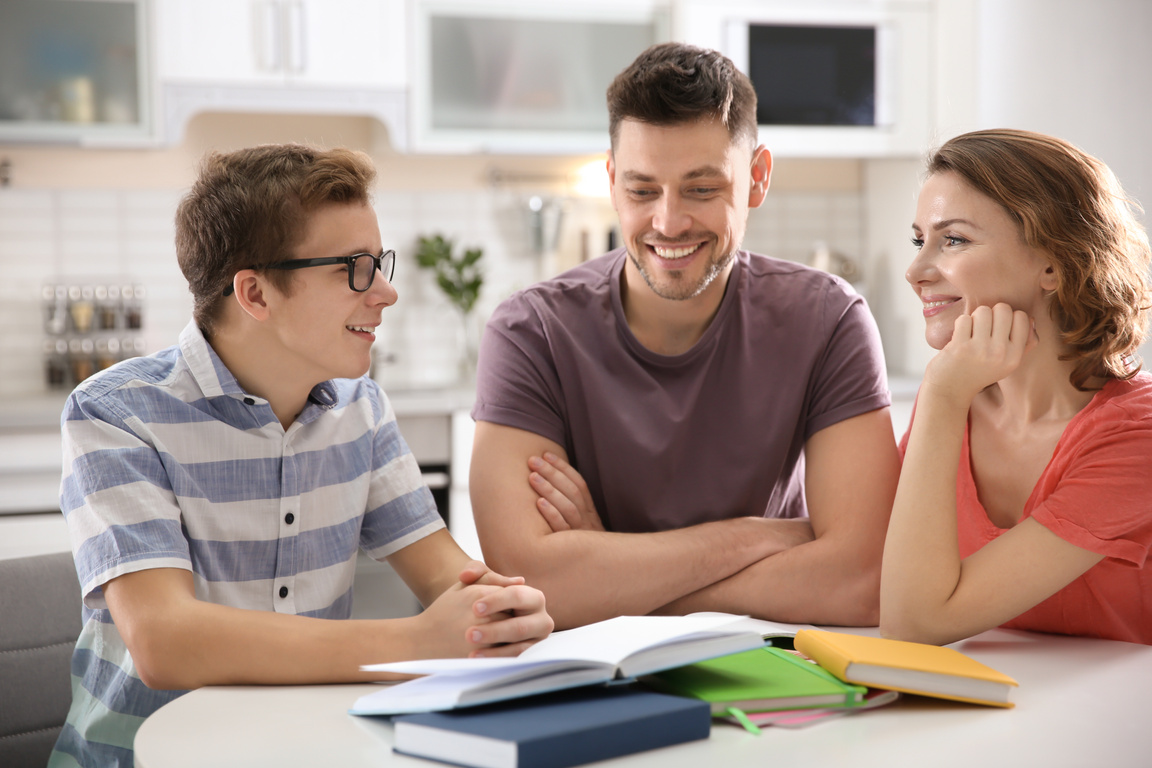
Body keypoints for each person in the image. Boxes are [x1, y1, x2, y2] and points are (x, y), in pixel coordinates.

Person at [50, 145, 552, 768]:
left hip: (302, 751)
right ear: (256, 294)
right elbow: (165, 642)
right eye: (355, 268)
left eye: (379, 263)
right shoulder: (114, 414)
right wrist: (417, 640)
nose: (387, 293)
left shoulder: (360, 408)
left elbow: (449, 576)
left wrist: (501, 610)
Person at [468, 42, 900, 630]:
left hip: (776, 668)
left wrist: (612, 583)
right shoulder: (531, 332)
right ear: (613, 181)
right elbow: (533, 580)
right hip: (595, 679)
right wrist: (751, 539)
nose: (669, 223)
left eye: (701, 189)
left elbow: (861, 581)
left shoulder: (829, 320)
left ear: (757, 178)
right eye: (643, 191)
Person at [880, 128, 1152, 646]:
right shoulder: (958, 406)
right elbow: (873, 572)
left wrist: (938, 395)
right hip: (992, 708)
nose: (915, 271)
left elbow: (912, 624)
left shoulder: (1138, 438)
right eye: (920, 240)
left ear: (1053, 262)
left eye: (953, 239)